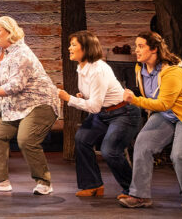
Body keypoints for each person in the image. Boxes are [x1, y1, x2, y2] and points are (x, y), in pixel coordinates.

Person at [118, 31, 182, 212]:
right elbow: (160, 104)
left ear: (154, 49)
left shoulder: (172, 73)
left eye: (141, 46)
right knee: (142, 144)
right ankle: (140, 196)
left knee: (180, 155)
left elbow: (163, 103)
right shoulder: (140, 69)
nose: (136, 50)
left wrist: (135, 100)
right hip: (168, 115)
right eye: (136, 46)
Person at [0, 15, 60, 195]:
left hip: (40, 103)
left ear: (10, 32)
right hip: (17, 107)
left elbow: (15, 86)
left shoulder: (22, 53)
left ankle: (44, 181)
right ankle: (0, 180)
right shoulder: (2, 51)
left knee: (26, 139)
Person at [57, 30, 141, 198]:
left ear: (86, 48)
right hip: (104, 113)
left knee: (110, 150)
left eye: (74, 45)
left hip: (123, 112)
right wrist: (84, 96)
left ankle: (134, 191)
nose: (69, 48)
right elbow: (96, 99)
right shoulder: (81, 67)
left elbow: (94, 107)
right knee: (82, 139)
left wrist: (69, 98)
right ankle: (93, 185)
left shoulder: (99, 70)